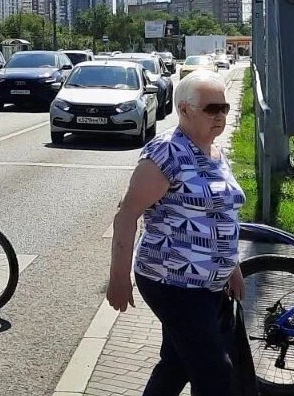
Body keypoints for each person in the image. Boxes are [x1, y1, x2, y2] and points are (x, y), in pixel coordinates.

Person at [106, 70, 245, 396]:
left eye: (224, 108)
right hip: (172, 281)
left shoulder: (214, 151)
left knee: (177, 364)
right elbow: (126, 217)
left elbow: (221, 215)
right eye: (212, 109)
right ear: (184, 110)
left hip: (209, 284)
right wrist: (118, 278)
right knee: (215, 372)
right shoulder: (166, 154)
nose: (221, 115)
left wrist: (232, 267)